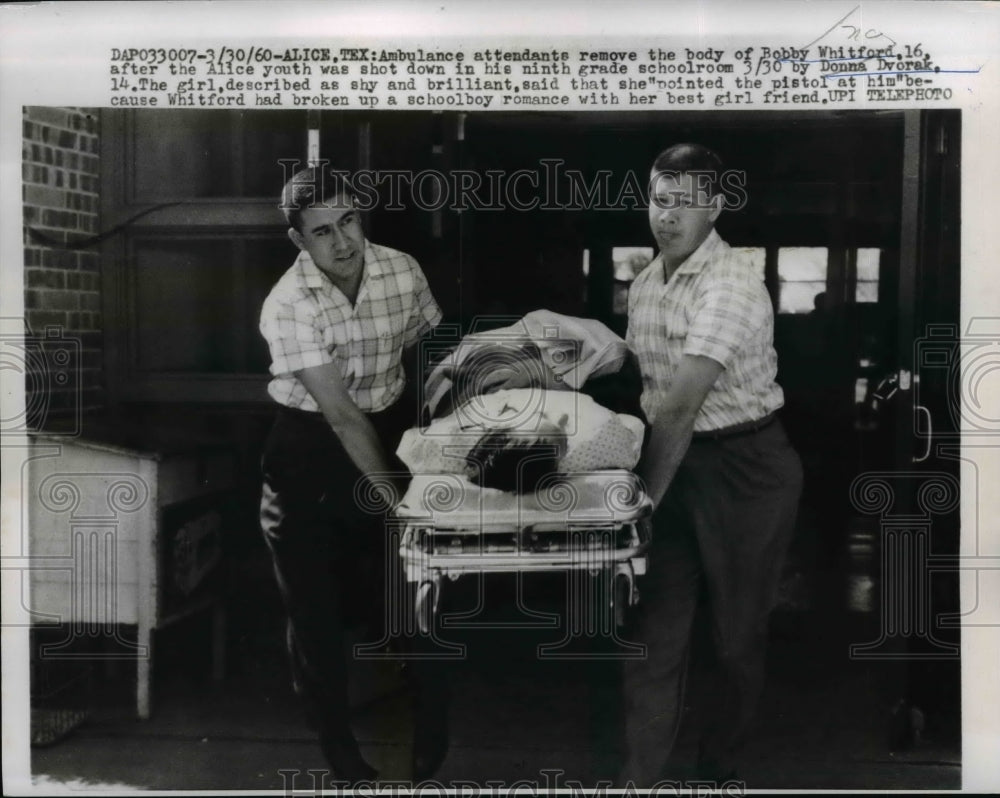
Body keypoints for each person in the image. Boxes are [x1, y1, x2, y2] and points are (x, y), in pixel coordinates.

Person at [621, 143, 803, 784]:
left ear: (716, 208)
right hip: (678, 464)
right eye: (659, 201)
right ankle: (638, 781)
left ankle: (717, 774)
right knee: (653, 633)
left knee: (734, 639)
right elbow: (640, 366)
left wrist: (639, 507)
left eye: (684, 205)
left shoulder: (732, 285)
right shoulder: (649, 279)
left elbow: (678, 408)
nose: (667, 217)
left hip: (745, 469)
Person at [258, 166, 446, 782]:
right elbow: (339, 416)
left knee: (411, 593)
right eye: (322, 231)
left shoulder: (402, 269)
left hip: (388, 429)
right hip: (310, 450)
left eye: (349, 221)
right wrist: (399, 500)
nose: (342, 242)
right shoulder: (288, 305)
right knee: (314, 610)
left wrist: (442, 436)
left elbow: (427, 349)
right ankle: (340, 752)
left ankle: (430, 731)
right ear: (299, 241)